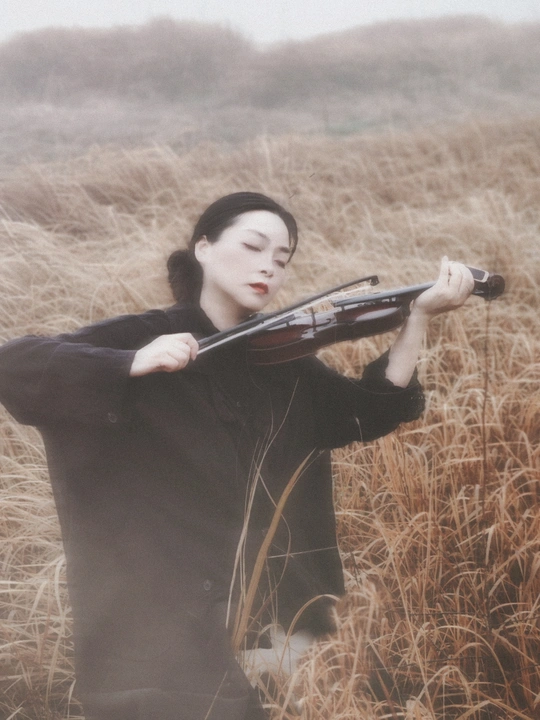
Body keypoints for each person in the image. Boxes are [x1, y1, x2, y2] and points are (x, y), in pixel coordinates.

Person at [0, 192, 474, 720]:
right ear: (203, 248)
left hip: (271, 609)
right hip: (167, 615)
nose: (269, 265)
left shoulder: (280, 358)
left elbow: (367, 411)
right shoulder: (143, 335)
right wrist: (131, 362)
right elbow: (14, 365)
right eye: (253, 246)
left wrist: (418, 317)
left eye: (282, 258)